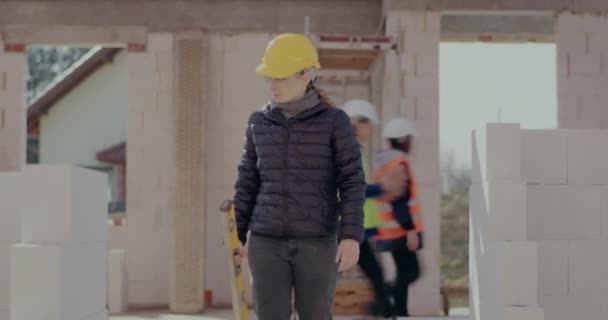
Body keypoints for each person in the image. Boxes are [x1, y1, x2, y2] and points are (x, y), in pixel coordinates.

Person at [232, 33, 366, 320]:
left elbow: (352, 180)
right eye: (269, 77)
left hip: (317, 242)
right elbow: (247, 184)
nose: (272, 85)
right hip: (266, 242)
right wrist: (237, 236)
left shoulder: (334, 122)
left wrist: (351, 236)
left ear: (307, 76)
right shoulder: (258, 122)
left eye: (281, 77)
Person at [342, 99, 394, 318]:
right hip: (347, 225)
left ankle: (382, 308)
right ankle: (383, 309)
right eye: (367, 123)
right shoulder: (349, 149)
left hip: (356, 225)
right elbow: (353, 187)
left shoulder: (355, 149)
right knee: (374, 272)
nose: (369, 129)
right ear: (356, 123)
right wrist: (379, 190)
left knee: (373, 272)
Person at [368, 117, 424, 317]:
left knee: (403, 273)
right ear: (403, 139)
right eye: (410, 139)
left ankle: (399, 313)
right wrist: (410, 230)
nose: (412, 143)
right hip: (399, 232)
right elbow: (399, 201)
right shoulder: (397, 164)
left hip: (389, 231)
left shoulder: (385, 162)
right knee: (412, 272)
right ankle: (382, 299)